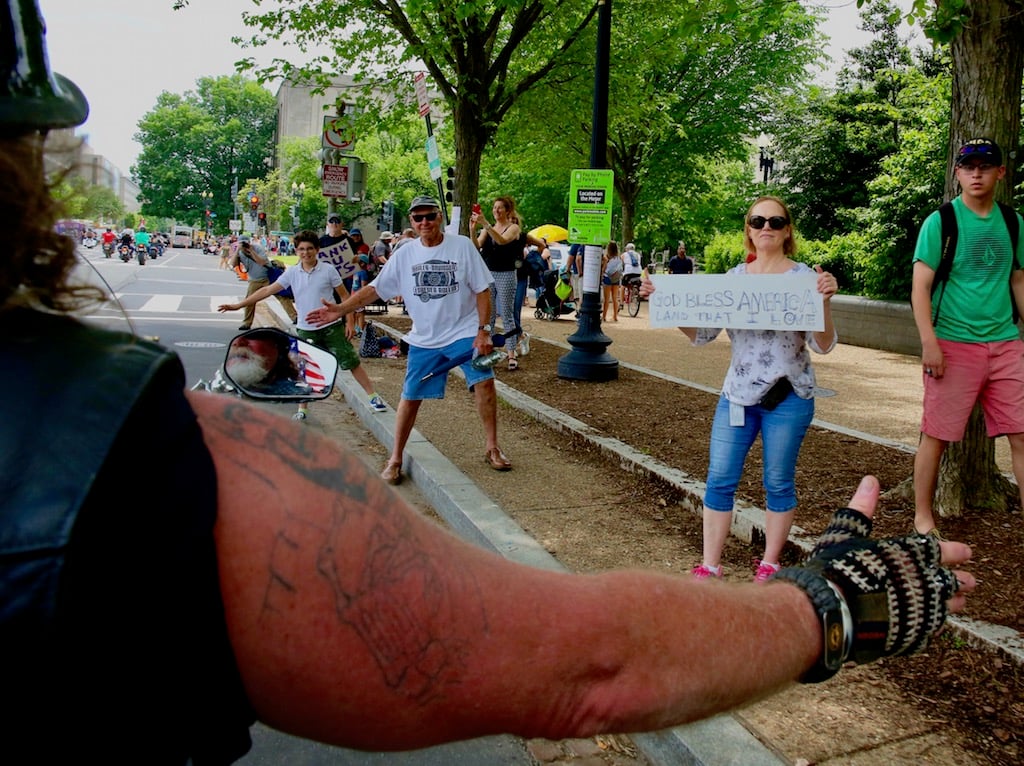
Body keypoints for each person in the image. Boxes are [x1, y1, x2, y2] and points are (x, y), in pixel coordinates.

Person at [0, 12, 980, 759]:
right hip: (443, 358)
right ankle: (408, 449)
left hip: (489, 352)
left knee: (481, 399)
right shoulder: (162, 455)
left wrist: (474, 327)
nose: (763, 231)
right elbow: (586, 664)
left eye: (773, 222)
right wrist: (831, 605)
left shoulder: (460, 256)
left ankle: (486, 445)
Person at [642, 196, 839, 582]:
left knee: (778, 480)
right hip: (737, 396)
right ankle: (710, 564)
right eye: (758, 220)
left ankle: (769, 564)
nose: (767, 227)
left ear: (787, 231)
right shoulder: (732, 280)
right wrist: (663, 304)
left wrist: (825, 303)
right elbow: (702, 334)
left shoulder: (805, 280)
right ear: (748, 229)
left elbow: (823, 344)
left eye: (776, 221)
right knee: (719, 478)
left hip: (788, 398)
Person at [310, 195, 514, 481]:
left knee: (485, 382)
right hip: (424, 337)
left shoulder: (463, 246)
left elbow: (482, 290)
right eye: (418, 218)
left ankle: (492, 447)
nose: (424, 222)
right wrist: (342, 309)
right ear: (412, 222)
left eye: (429, 216)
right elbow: (375, 289)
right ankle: (395, 457)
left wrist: (483, 331)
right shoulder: (405, 254)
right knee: (410, 396)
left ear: (439, 217)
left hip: (464, 331)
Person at [910, 137, 1024, 538]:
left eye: (985, 166)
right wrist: (930, 343)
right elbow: (919, 287)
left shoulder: (1013, 222)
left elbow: (1018, 279)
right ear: (957, 173)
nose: (977, 173)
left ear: (999, 173)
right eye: (969, 166)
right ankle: (923, 517)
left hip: (1006, 343)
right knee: (936, 435)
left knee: (1022, 433)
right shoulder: (941, 222)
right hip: (953, 345)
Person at [219, 229, 387, 419]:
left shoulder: (328, 270)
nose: (305, 253)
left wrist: (349, 321)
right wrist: (239, 305)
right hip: (306, 329)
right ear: (296, 251)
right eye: (301, 249)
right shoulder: (292, 272)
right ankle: (302, 409)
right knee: (303, 368)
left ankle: (373, 396)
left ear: (317, 250)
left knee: (350, 361)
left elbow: (344, 296)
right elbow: (267, 290)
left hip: (331, 327)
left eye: (309, 249)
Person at [472, 196, 524, 370]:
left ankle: (511, 353)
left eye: (500, 208)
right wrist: (473, 229)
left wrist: (485, 224)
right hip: (489, 273)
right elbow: (477, 245)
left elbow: (502, 241)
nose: (496, 211)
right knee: (489, 315)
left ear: (507, 211)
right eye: (494, 208)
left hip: (506, 273)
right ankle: (490, 352)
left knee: (507, 314)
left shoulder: (513, 228)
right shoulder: (490, 228)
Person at [228, 235, 297, 328]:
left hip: (269, 277)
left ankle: (294, 317)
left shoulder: (257, 248)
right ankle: (247, 323)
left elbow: (262, 262)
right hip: (255, 280)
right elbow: (233, 264)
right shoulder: (239, 252)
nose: (245, 245)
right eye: (242, 243)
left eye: (246, 243)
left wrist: (251, 251)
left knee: (282, 296)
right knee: (249, 300)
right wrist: (237, 251)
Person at [601, 240, 623, 322]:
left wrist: (602, 274)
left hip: (607, 277)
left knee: (606, 299)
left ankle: (604, 316)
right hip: (616, 278)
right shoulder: (618, 257)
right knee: (615, 298)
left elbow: (604, 268)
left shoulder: (606, 257)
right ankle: (615, 316)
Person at [621, 242, 643, 308]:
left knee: (622, 286)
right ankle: (634, 292)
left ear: (627, 249)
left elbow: (620, 263)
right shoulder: (638, 255)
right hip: (638, 272)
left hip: (628, 272)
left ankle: (621, 303)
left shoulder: (624, 254)